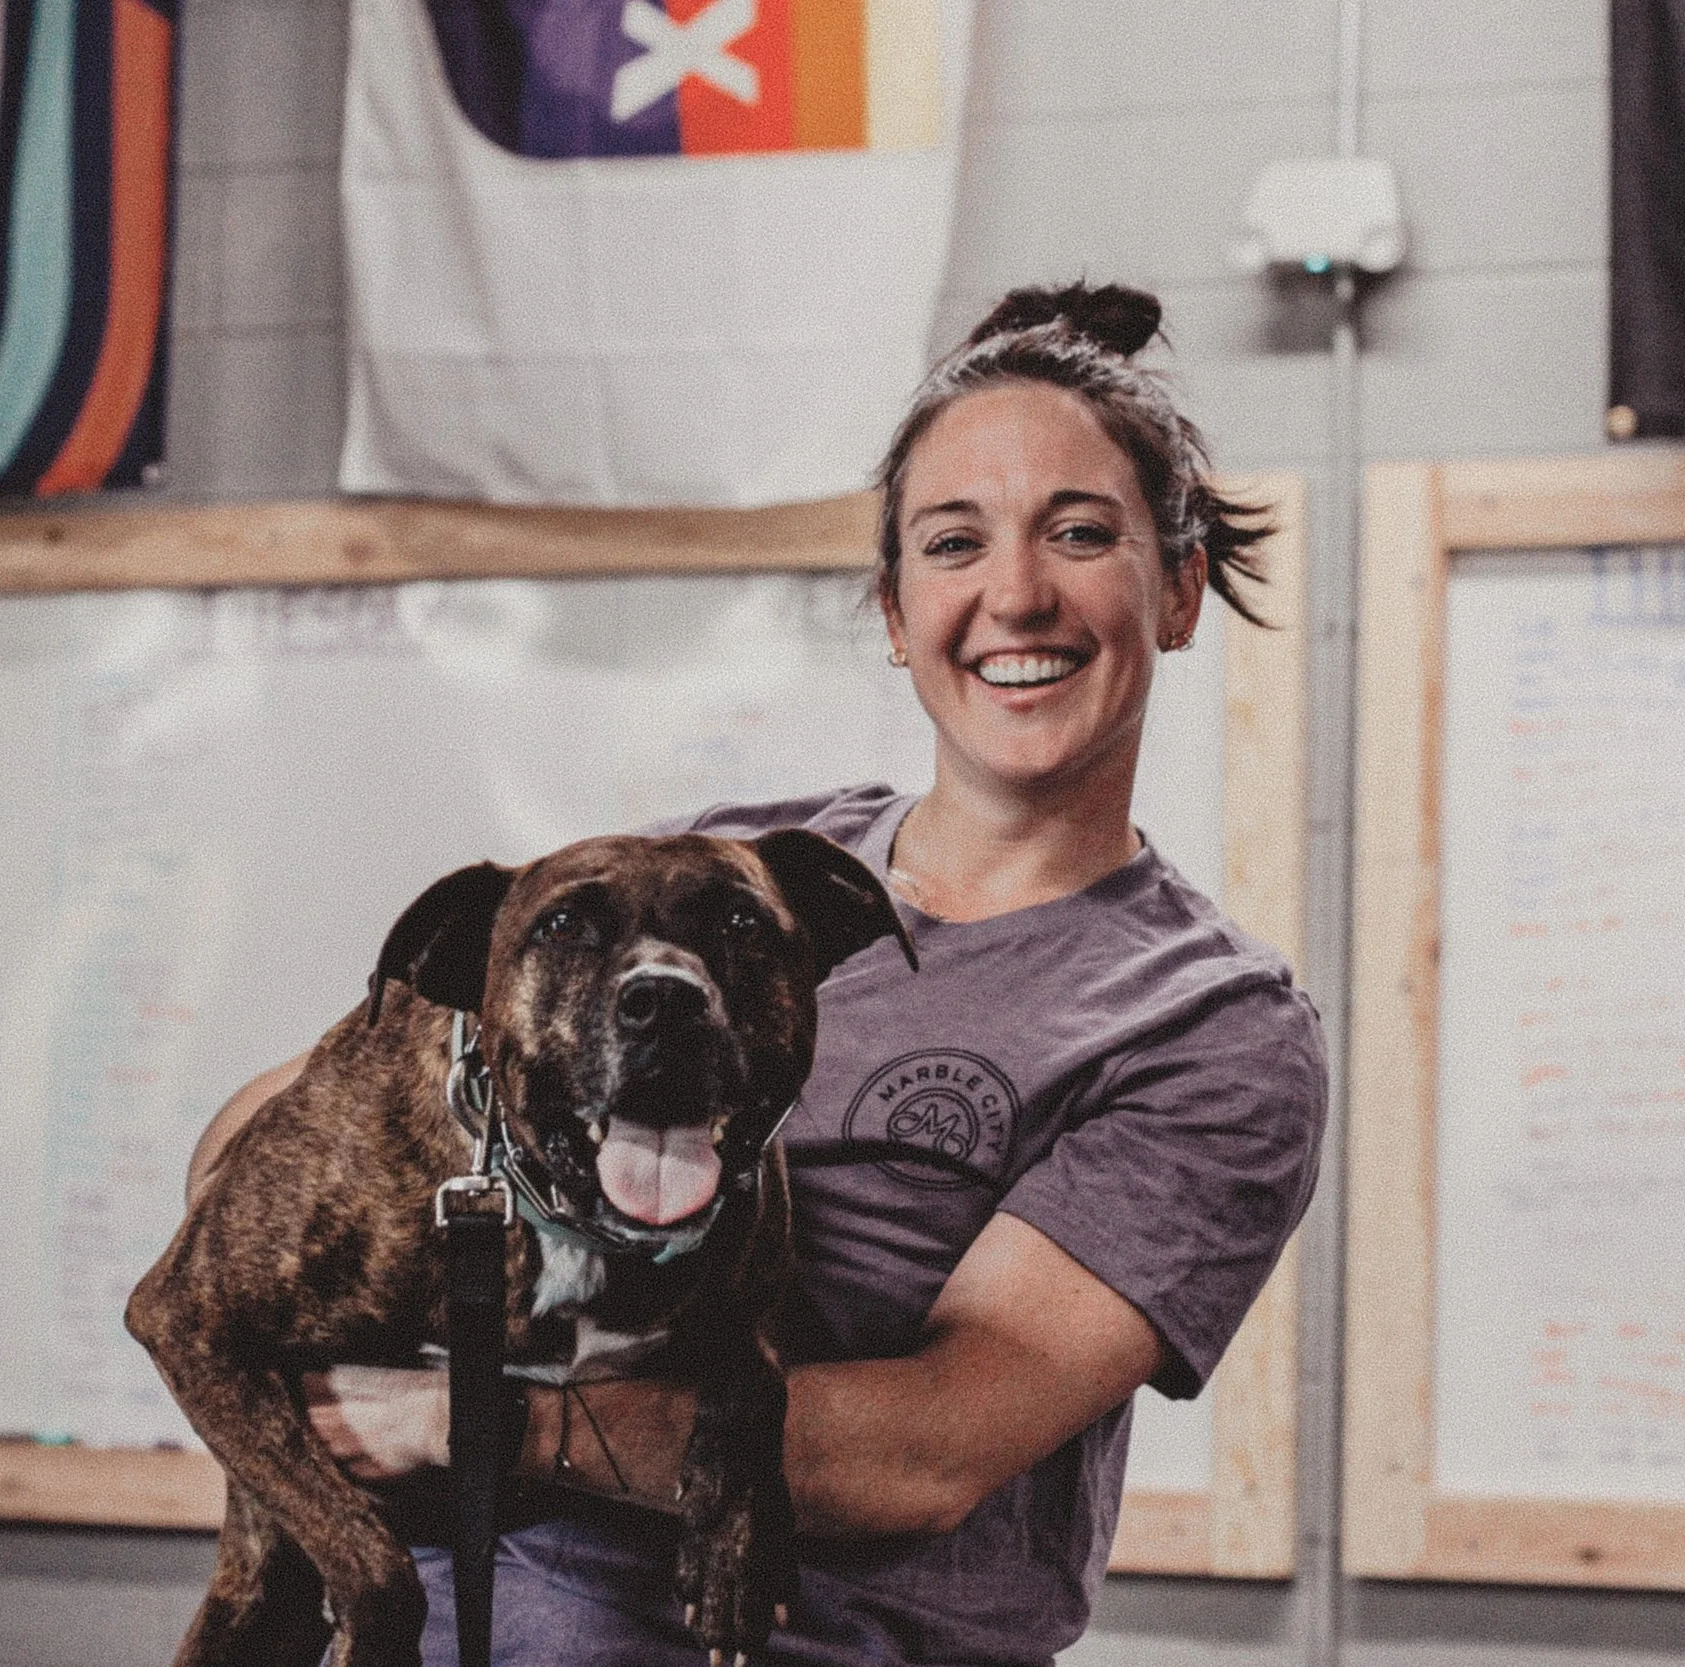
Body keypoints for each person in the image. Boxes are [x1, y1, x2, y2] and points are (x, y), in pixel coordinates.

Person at [190, 282, 1328, 1667]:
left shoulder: (1211, 1027)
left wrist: (476, 1417)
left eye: (1080, 533)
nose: (1016, 594)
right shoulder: (725, 878)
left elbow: (929, 1447)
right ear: (897, 611)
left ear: (1181, 589)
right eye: (953, 542)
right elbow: (263, 1140)